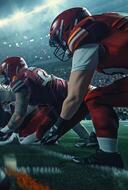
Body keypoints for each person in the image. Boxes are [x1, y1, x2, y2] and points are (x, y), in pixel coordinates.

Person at [43, 7, 128, 168]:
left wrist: (56, 128)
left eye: (58, 39)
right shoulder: (108, 22)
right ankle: (100, 141)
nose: (60, 46)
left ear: (66, 28)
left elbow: (75, 97)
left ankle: (108, 156)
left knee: (95, 98)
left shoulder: (84, 33)